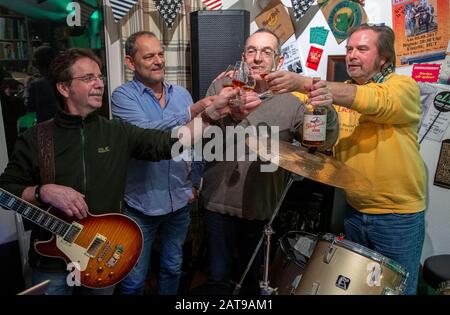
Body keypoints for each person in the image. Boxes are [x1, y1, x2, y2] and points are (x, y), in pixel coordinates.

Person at [0, 48, 245, 295]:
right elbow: (5, 191)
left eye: (100, 77)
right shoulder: (35, 139)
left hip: (101, 256)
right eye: (88, 78)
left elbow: (165, 143)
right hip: (51, 261)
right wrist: (43, 191)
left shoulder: (117, 131)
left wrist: (210, 116)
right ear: (64, 88)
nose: (99, 84)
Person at [269, 24, 426, 295]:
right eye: (349, 49)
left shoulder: (403, 86)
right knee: (354, 290)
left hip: (397, 217)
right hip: (354, 210)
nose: (352, 55)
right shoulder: (339, 91)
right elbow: (307, 105)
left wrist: (305, 83)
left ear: (384, 58)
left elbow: (376, 101)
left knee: (395, 291)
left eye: (362, 49)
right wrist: (269, 82)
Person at [199, 28, 338, 295]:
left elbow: (320, 142)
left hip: (260, 208)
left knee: (251, 281)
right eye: (252, 51)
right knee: (216, 278)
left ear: (279, 61)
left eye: (266, 52)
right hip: (218, 203)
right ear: (243, 57)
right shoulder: (221, 86)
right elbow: (201, 133)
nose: (258, 58)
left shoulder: (291, 104)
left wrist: (326, 110)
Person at [111, 31, 205, 295]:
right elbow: (146, 133)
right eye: (149, 55)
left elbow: (195, 142)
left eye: (160, 54)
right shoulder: (122, 97)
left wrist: (196, 181)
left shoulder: (182, 95)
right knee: (133, 279)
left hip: (178, 202)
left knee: (173, 267)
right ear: (130, 62)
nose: (158, 61)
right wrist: (190, 113)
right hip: (141, 206)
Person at [26, 45, 59, 123]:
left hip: (46, 127)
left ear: (38, 64)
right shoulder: (66, 79)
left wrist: (26, 86)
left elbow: (29, 108)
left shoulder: (36, 85)